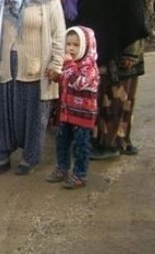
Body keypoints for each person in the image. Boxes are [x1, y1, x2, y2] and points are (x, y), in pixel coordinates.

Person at [0, 0, 65, 175]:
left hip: (35, 68)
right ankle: (1, 155)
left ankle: (30, 158)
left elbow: (58, 35)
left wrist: (56, 63)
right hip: (6, 66)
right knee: (4, 114)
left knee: (32, 116)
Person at [73, 0, 149, 159]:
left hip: (122, 57)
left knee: (118, 101)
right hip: (102, 54)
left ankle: (113, 144)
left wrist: (129, 55)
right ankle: (105, 141)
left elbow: (136, 23)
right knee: (102, 100)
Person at [46, 26, 99, 189]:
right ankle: (62, 168)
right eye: (68, 44)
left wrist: (68, 65)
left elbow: (80, 83)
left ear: (86, 45)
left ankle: (80, 175)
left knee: (81, 146)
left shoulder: (89, 67)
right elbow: (67, 80)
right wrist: (57, 77)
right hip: (67, 113)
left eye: (76, 45)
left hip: (83, 117)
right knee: (62, 141)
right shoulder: (71, 65)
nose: (70, 48)